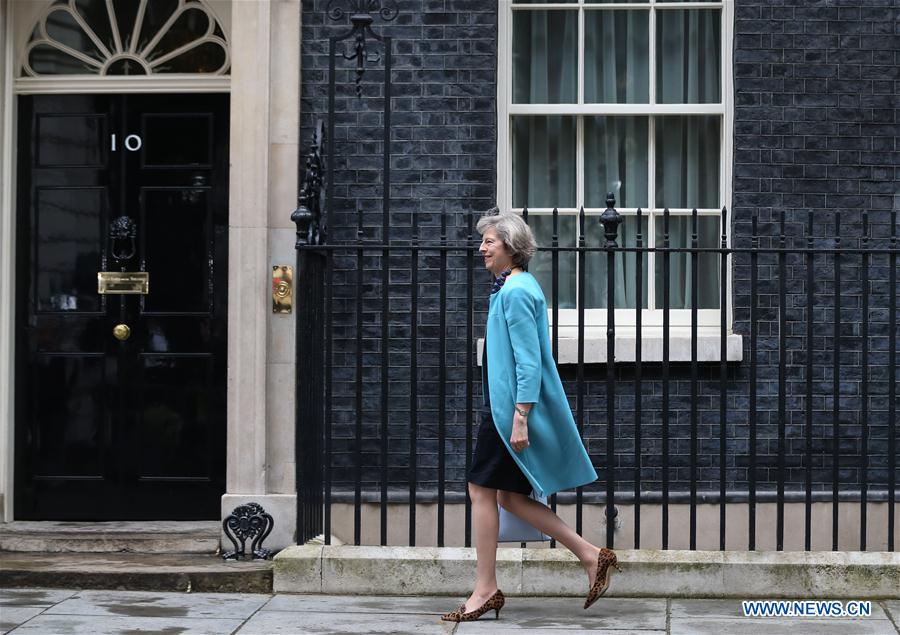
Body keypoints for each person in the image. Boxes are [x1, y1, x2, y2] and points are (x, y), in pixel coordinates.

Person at [441, 210, 621, 623]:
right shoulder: (512, 289)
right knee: (509, 496)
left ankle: (485, 589)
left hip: (508, 413)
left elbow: (529, 362)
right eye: (483, 241)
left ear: (510, 246)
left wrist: (520, 415)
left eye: (489, 241)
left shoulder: (517, 291)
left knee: (481, 492)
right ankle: (592, 555)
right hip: (505, 409)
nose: (481, 248)